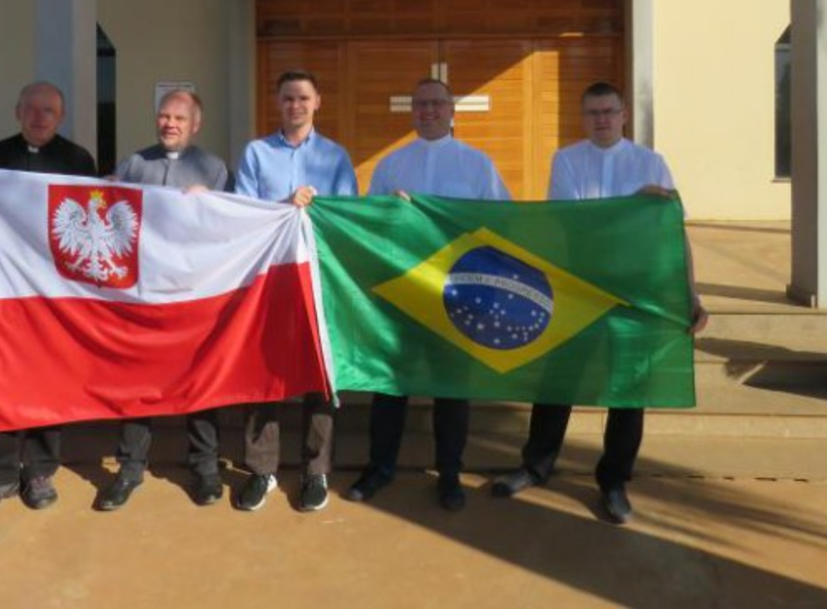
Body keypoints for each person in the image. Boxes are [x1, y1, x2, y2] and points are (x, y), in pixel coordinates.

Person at [490, 81, 709, 524]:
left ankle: (613, 480)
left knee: (629, 388)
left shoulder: (651, 163)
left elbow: (672, 231)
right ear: (583, 117)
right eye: (592, 112)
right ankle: (535, 466)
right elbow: (578, 224)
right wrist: (633, 207)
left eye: (609, 111)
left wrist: (691, 294)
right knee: (558, 380)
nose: (602, 119)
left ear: (624, 114)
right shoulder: (567, 160)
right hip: (579, 289)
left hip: (635, 293)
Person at [346, 77, 510, 512]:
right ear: (412, 110)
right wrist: (390, 210)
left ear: (452, 110)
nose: (429, 111)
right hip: (403, 294)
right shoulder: (391, 165)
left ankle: (450, 473)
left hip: (457, 294)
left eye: (437, 103)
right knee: (390, 387)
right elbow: (370, 224)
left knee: (451, 390)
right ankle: (380, 467)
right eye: (421, 104)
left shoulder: (478, 165)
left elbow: (501, 222)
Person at [0, 81, 97, 519]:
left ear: (61, 117)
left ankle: (41, 470)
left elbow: (90, 220)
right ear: (17, 112)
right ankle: (0, 473)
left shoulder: (78, 160)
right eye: (31, 108)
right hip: (3, 289)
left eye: (48, 110)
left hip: (54, 293)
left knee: (49, 378)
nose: (39, 117)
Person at [94, 89, 231, 512]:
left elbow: (228, 228)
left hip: (193, 294)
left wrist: (213, 203)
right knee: (137, 381)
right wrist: (103, 191)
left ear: (195, 125)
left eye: (179, 118)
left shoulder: (214, 168)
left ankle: (205, 467)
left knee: (199, 380)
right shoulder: (134, 164)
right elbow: (108, 217)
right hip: (143, 294)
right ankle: (130, 468)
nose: (170, 124)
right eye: (164, 116)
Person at [233, 70, 358, 513]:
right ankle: (261, 469)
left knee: (318, 374)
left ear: (317, 101)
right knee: (262, 373)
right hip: (270, 280)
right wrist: (285, 207)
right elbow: (243, 213)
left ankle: (315, 469)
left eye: (303, 97)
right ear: (277, 102)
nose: (296, 105)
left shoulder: (336, 156)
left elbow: (346, 217)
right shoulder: (256, 153)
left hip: (318, 280)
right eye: (288, 97)